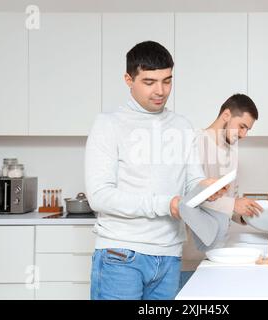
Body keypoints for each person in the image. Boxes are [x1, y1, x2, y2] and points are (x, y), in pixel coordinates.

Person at [85, 40, 225, 300]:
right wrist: (167, 204)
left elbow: (191, 182)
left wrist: (207, 188)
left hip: (169, 256)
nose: (161, 91)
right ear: (129, 79)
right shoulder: (109, 125)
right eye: (149, 82)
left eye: (167, 81)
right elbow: (99, 196)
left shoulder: (182, 126)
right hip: (121, 256)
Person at [181, 93, 264, 274]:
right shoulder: (196, 142)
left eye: (247, 130)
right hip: (191, 258)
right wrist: (234, 204)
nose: (244, 134)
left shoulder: (232, 151)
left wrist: (243, 214)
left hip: (217, 254)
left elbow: (228, 202)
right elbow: (189, 198)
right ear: (226, 115)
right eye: (242, 127)